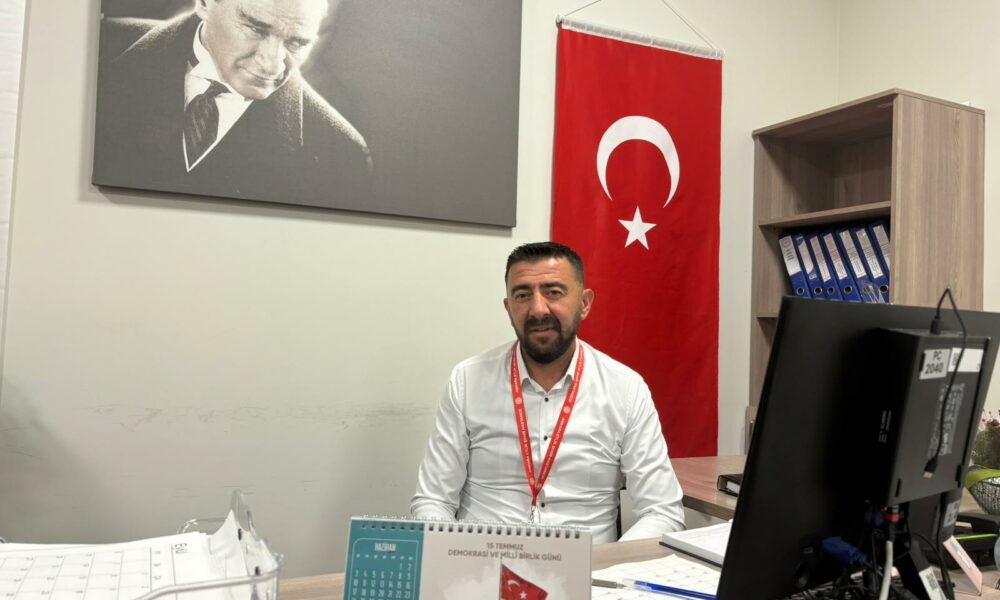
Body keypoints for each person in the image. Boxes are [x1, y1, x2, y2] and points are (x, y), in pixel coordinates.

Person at [411, 242, 685, 543]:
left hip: (590, 567)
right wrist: (452, 557)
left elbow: (662, 511)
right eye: (522, 295)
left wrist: (612, 564)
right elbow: (433, 500)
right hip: (484, 562)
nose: (538, 309)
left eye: (553, 292)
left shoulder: (625, 389)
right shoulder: (467, 380)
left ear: (584, 303)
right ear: (508, 308)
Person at [92, 0, 373, 209]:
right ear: (204, 3)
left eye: (297, 43)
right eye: (256, 28)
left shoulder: (342, 156)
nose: (272, 64)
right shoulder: (100, 47)